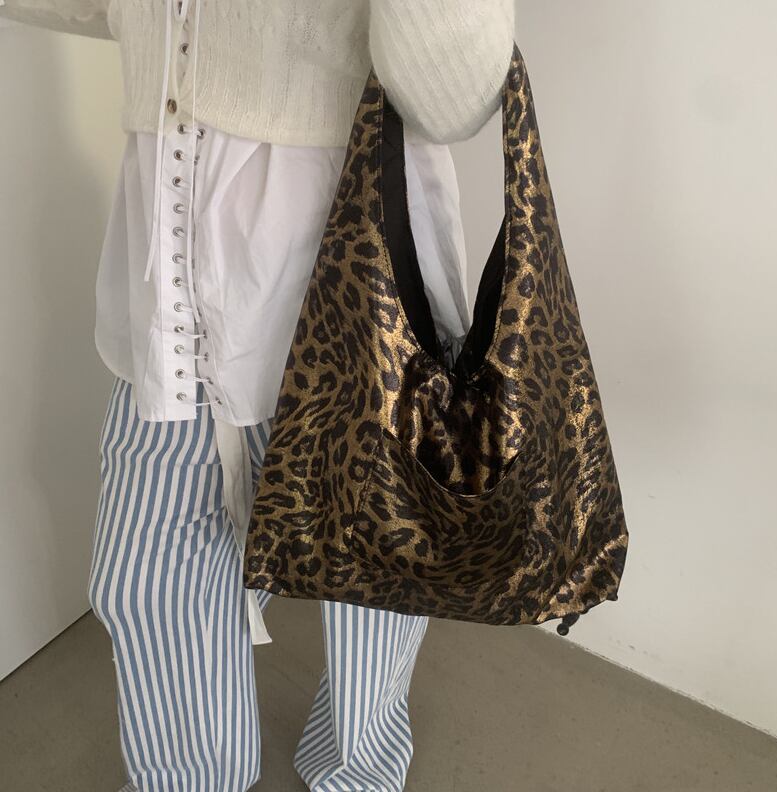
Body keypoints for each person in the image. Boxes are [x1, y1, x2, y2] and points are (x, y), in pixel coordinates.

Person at [0, 1, 515, 790]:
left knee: (376, 566)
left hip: (359, 263)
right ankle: (192, 776)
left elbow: (456, 97)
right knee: (146, 574)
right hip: (175, 266)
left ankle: (360, 769)